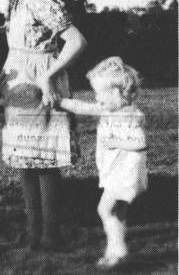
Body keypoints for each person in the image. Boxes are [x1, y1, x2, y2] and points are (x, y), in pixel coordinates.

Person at [0, 0, 87, 250]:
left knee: (45, 162)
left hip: (41, 82)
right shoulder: (16, 2)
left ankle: (50, 234)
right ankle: (33, 232)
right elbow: (14, 50)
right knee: (25, 160)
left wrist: (48, 75)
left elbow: (76, 41)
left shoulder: (42, 0)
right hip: (19, 83)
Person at [60, 57, 147, 269]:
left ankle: (119, 250)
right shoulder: (108, 108)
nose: (96, 98)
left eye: (99, 93)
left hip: (125, 173)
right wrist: (60, 102)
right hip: (115, 172)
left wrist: (115, 141)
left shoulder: (131, 115)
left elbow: (141, 142)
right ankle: (115, 251)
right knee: (117, 212)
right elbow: (82, 107)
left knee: (105, 210)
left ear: (116, 93)